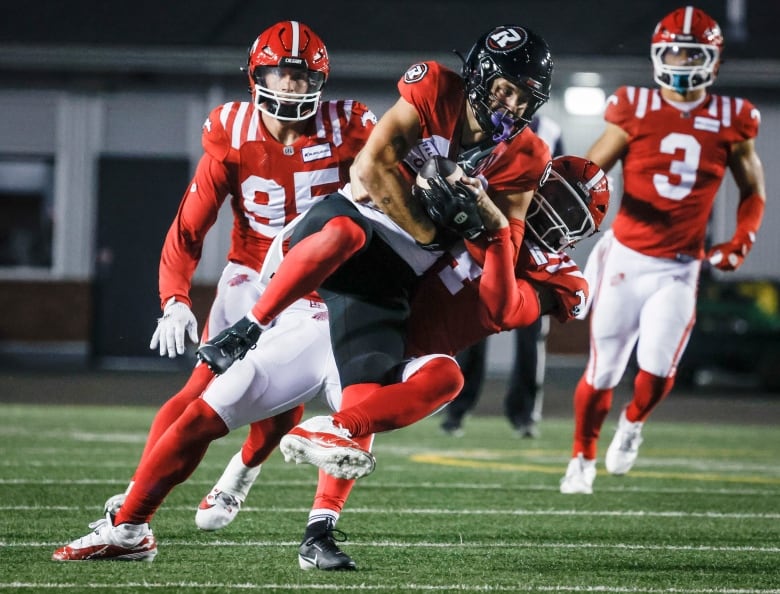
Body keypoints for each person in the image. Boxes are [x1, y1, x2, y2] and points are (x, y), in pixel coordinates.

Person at [194, 24, 556, 569]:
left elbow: (501, 267)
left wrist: (488, 226)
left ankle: (316, 531)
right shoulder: (434, 89)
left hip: (395, 280)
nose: (512, 103)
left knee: (362, 400)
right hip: (335, 240)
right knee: (225, 396)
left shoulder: (527, 162)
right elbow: (369, 169)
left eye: (524, 95)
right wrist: (435, 231)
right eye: (505, 88)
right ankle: (141, 506)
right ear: (479, 78)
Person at [52, 20, 378, 562]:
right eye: (282, 74)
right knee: (193, 400)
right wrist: (174, 297)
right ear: (257, 75)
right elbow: (189, 226)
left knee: (279, 407)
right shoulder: (232, 130)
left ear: (320, 81)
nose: (293, 87)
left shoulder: (350, 127)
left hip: (319, 290)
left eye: (302, 77)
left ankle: (232, 478)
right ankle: (133, 507)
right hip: (249, 276)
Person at [559, 5, 766, 495]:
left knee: (656, 368)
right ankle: (581, 459)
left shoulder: (734, 118)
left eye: (689, 52)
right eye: (672, 50)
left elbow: (752, 190)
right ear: (657, 54)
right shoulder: (634, 107)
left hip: (680, 266)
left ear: (712, 61)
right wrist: (571, 219)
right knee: (604, 368)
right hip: (627, 257)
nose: (679, 59)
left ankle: (632, 425)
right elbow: (587, 176)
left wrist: (742, 238)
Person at [440, 113, 566, 438]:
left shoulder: (548, 131)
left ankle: (524, 414)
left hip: (529, 241)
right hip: (484, 236)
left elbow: (560, 187)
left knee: (530, 336)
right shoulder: (480, 123)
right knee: (471, 328)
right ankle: (457, 409)